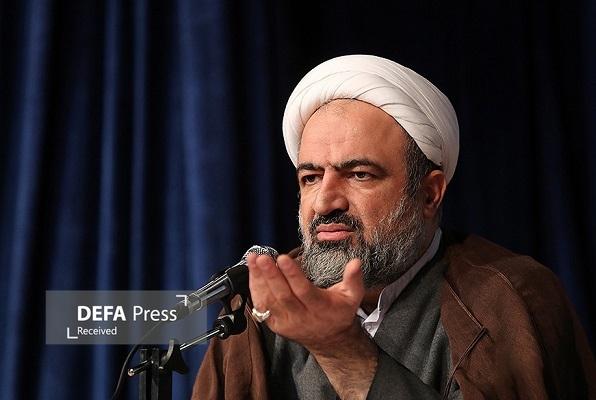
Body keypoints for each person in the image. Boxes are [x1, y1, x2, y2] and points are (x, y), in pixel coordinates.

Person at [192, 55, 595, 399]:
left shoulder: (509, 298)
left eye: (360, 174)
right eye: (310, 178)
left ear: (429, 194)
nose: (325, 202)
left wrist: (343, 351)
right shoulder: (260, 306)